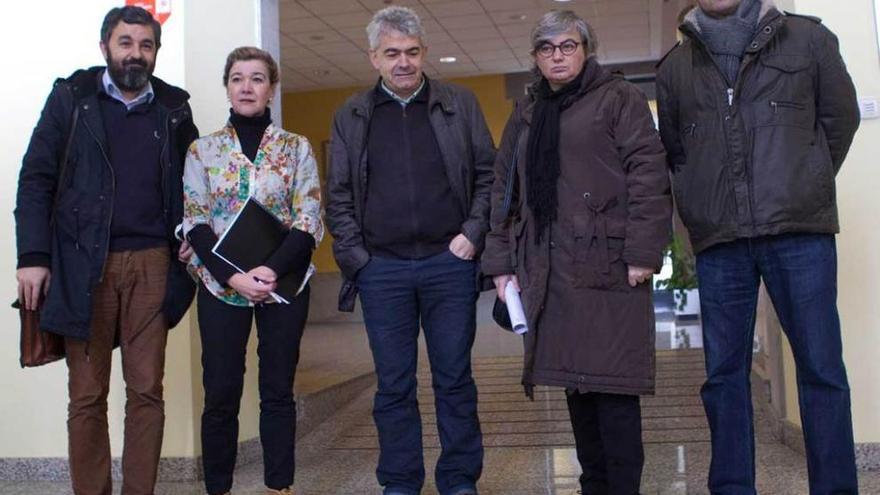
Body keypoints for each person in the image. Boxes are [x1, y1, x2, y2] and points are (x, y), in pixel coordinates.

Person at [656, 0, 860, 493]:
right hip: (721, 239)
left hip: (797, 232)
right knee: (723, 377)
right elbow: (676, 152)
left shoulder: (808, 39)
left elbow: (841, 119)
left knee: (821, 368)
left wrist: (803, 181)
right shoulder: (677, 67)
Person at [481, 10, 672, 495]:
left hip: (608, 264)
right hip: (549, 269)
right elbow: (504, 191)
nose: (557, 56)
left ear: (586, 49)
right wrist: (502, 264)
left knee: (614, 389)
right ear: (536, 58)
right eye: (547, 48)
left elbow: (648, 172)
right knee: (576, 384)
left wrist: (644, 252)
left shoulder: (619, 97)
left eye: (567, 45)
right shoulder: (527, 112)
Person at [14, 6, 197, 494]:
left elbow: (196, 186)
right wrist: (33, 257)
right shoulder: (70, 98)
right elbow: (35, 179)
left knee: (146, 392)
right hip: (83, 264)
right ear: (105, 47)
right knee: (87, 395)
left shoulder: (176, 108)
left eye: (145, 45)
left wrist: (192, 244)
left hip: (155, 264)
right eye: (125, 43)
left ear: (155, 51)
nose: (135, 54)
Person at [325, 6, 494, 495]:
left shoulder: (458, 104)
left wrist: (473, 234)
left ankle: (459, 480)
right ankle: (400, 481)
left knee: (454, 379)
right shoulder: (352, 115)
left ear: (424, 53)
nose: (404, 62)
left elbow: (488, 175)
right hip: (383, 270)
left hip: (450, 264)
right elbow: (337, 194)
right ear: (374, 57)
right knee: (394, 386)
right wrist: (357, 258)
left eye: (412, 52)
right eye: (392, 53)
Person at [181, 46, 323, 495]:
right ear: (227, 86)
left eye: (257, 78)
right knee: (220, 393)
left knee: (277, 391)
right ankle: (218, 487)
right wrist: (235, 277)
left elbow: (309, 219)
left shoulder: (295, 148)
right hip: (221, 287)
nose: (247, 86)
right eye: (238, 78)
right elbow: (196, 222)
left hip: (284, 285)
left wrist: (269, 272)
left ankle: (279, 486)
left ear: (271, 89)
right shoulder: (202, 151)